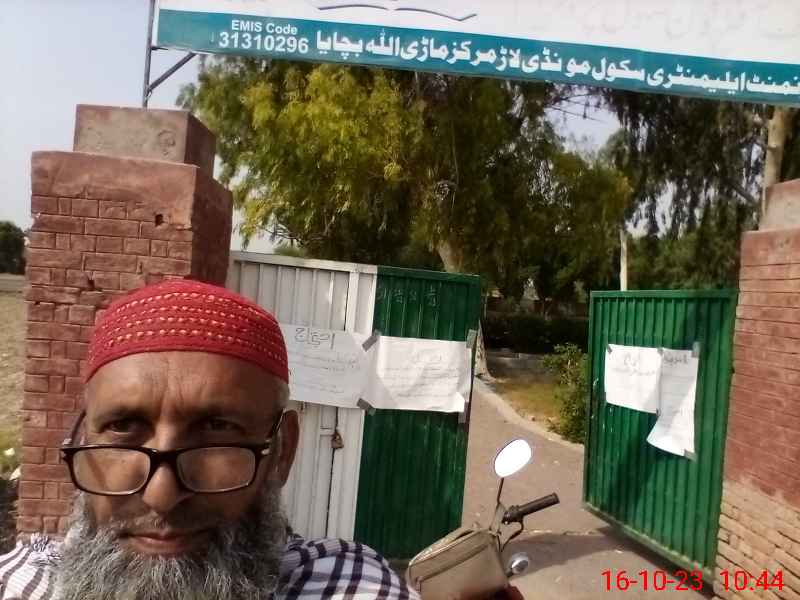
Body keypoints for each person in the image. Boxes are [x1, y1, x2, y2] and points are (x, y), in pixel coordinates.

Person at [0, 279, 419, 600]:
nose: (162, 496)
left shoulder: (347, 586)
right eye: (124, 427)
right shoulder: (18, 584)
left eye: (217, 429)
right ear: (82, 438)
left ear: (282, 451)